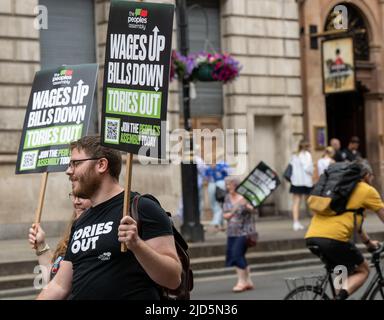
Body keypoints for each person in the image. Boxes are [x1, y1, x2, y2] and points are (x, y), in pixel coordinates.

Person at [37, 135, 181, 300]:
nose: (69, 171)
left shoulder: (142, 207)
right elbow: (59, 286)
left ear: (101, 164)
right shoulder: (81, 221)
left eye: (76, 163)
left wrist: (137, 245)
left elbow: (173, 278)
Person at [305, 161, 384, 300]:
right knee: (364, 270)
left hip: (312, 236)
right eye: (372, 176)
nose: (372, 180)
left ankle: (338, 295)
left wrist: (369, 243)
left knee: (340, 268)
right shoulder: (367, 190)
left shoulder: (339, 191)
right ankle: (339, 297)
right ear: (366, 175)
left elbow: (357, 226)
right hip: (334, 239)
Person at [28, 194, 91, 283]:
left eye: (82, 195)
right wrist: (41, 245)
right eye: (74, 195)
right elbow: (53, 280)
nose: (76, 202)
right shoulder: (72, 232)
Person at [223, 177, 255, 293]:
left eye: (230, 185)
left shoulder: (245, 197)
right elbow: (225, 215)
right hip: (232, 232)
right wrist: (233, 210)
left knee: (237, 254)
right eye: (227, 185)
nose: (228, 188)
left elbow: (253, 210)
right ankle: (248, 281)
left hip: (245, 231)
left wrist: (246, 205)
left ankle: (241, 282)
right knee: (238, 255)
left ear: (236, 186)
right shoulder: (227, 198)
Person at [289, 139, 314, 231]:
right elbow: (308, 168)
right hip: (306, 181)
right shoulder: (307, 155)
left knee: (296, 202)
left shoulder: (294, 155)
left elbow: (291, 166)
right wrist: (312, 168)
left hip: (296, 181)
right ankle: (313, 221)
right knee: (311, 202)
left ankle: (295, 222)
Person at [205, 151, 230, 231]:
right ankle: (220, 222)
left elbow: (228, 174)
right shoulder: (208, 168)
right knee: (214, 203)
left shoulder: (222, 165)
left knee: (220, 203)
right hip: (212, 184)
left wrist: (217, 168)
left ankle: (217, 221)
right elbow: (206, 177)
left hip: (220, 183)